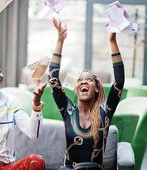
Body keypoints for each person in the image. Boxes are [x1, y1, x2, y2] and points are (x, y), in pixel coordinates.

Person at [48, 18, 125, 170]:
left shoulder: (105, 112)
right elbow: (53, 79)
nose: (83, 82)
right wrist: (60, 40)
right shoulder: (69, 111)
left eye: (88, 80)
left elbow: (119, 82)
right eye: (80, 80)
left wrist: (112, 40)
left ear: (96, 88)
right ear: (76, 88)